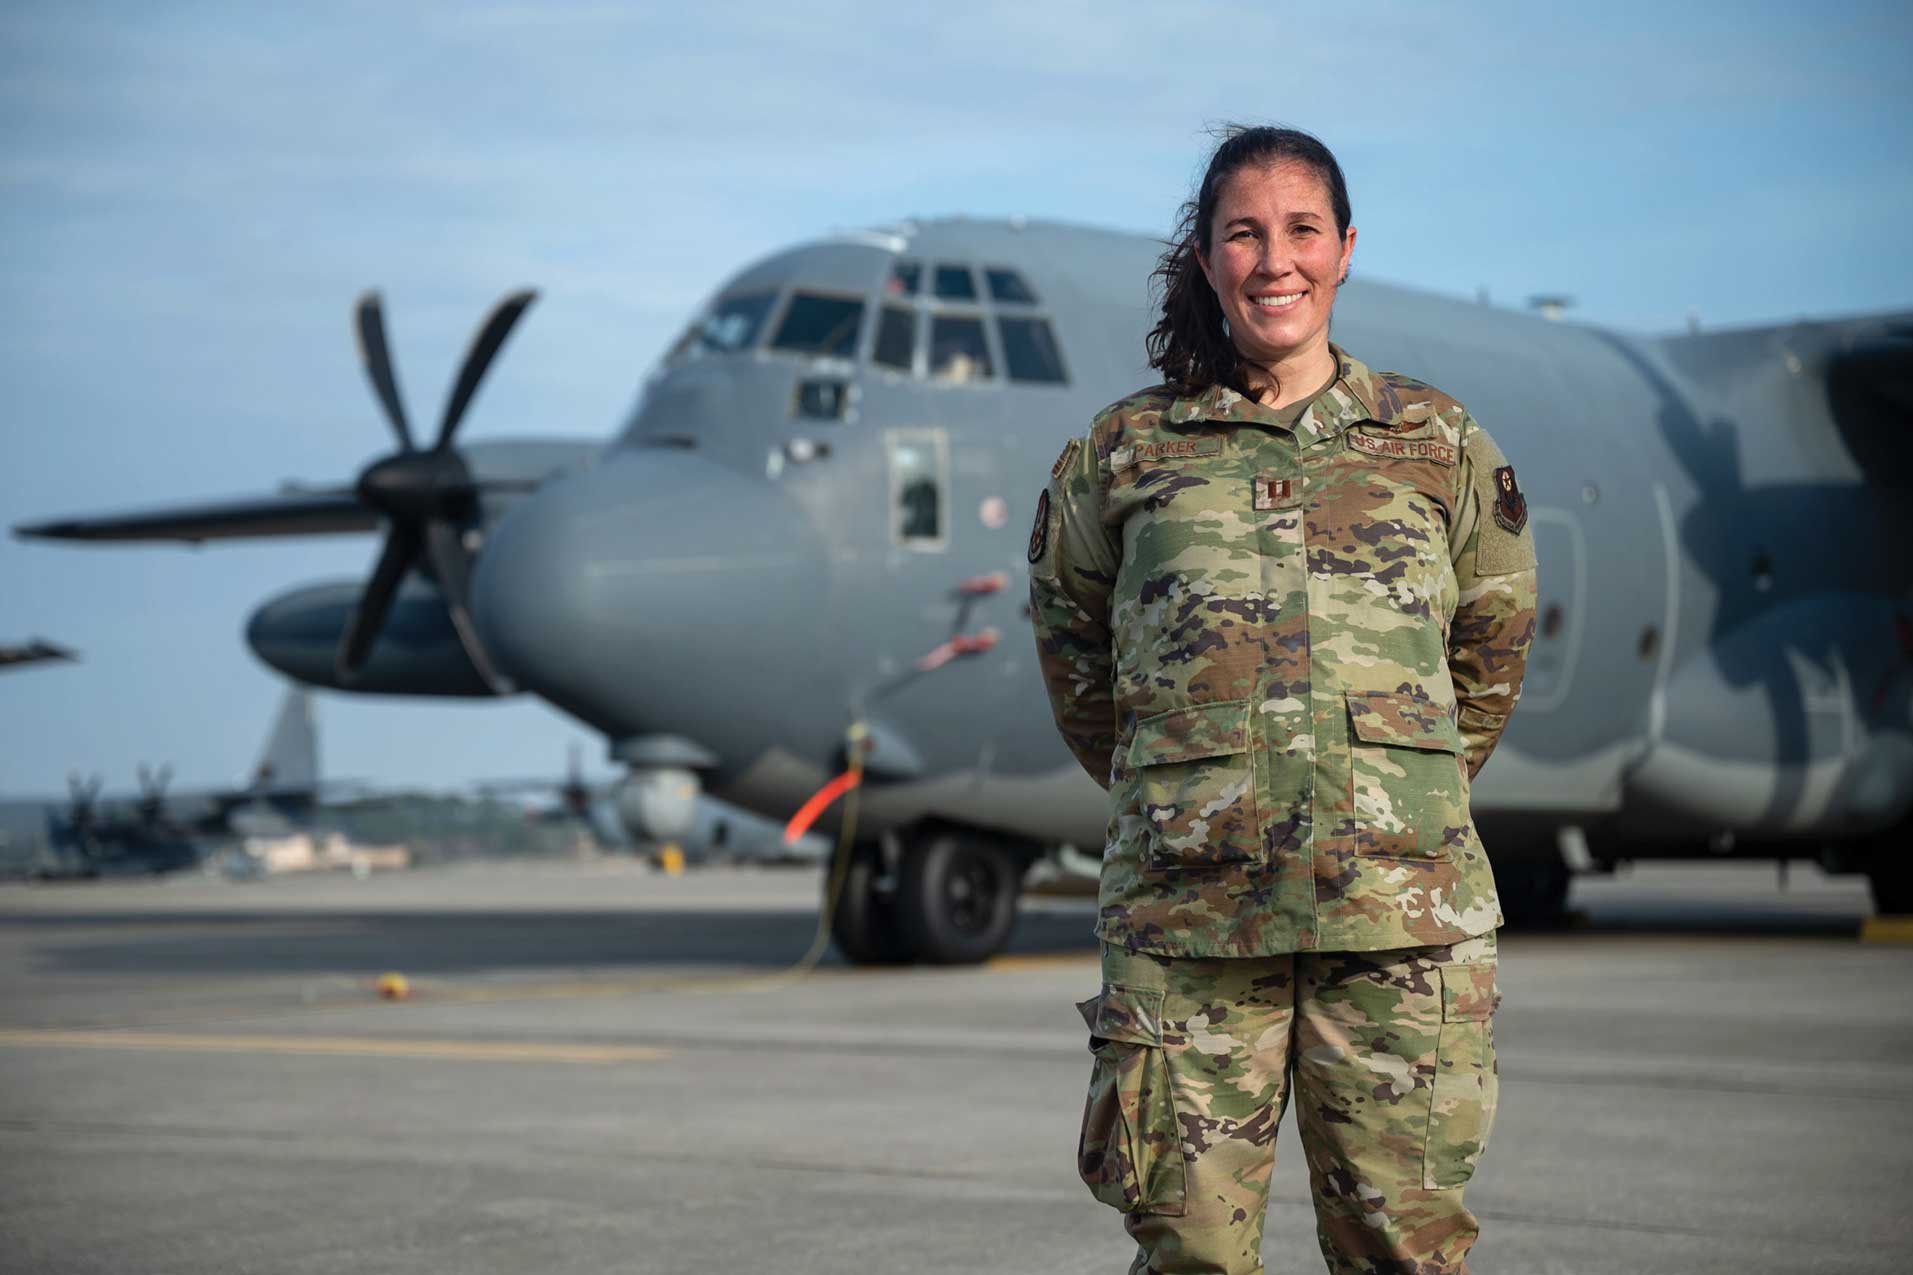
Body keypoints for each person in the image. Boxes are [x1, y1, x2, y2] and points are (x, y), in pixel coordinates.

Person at [1027, 125, 1537, 1274]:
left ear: (1344, 250)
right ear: (1205, 261)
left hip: (1396, 924)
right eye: (1242, 235)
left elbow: (1491, 640)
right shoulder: (1124, 453)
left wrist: (1401, 793)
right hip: (1187, 923)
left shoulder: (1434, 442)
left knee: (1402, 1254)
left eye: (1301, 231)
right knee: (1190, 1257)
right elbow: (1072, 647)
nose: (1274, 261)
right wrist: (1184, 791)